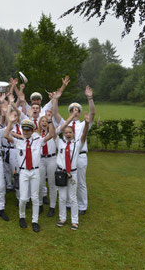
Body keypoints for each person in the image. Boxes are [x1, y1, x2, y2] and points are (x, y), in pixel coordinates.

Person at [4, 115, 55, 232]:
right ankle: (22, 217)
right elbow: (6, 135)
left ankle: (34, 221)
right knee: (22, 199)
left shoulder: (38, 141)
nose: (26, 132)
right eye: (24, 130)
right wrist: (10, 122)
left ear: (32, 131)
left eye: (28, 130)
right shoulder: (19, 141)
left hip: (35, 171)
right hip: (24, 172)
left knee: (35, 198)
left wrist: (50, 120)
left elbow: (51, 135)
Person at [52, 86, 95, 215]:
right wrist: (56, 99)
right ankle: (68, 204)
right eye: (72, 110)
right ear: (69, 112)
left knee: (80, 182)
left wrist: (90, 98)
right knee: (65, 180)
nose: (74, 112)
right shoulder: (65, 123)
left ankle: (82, 206)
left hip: (80, 156)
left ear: (80, 113)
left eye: (77, 110)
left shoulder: (84, 124)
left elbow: (92, 113)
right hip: (66, 156)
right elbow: (55, 113)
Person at [55, 107, 91, 231]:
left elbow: (84, 135)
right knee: (62, 197)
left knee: (73, 197)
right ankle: (62, 218)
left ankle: (75, 221)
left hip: (73, 174)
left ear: (74, 134)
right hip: (61, 173)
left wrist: (86, 123)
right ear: (63, 134)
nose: (68, 134)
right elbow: (55, 132)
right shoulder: (60, 143)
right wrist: (51, 122)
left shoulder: (77, 144)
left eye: (70, 133)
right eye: (66, 133)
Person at [37, 113, 58, 217]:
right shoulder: (36, 134)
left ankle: (52, 207)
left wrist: (50, 122)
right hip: (40, 160)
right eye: (43, 121)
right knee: (40, 184)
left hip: (51, 159)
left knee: (52, 184)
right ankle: (40, 204)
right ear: (39, 123)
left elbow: (53, 134)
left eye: (46, 121)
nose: (44, 123)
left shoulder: (53, 133)